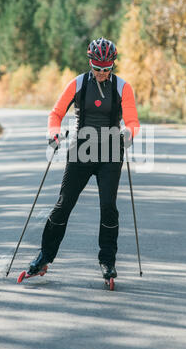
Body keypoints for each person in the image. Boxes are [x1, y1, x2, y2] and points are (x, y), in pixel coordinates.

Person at [27, 37, 140, 280]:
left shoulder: (123, 87)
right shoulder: (78, 83)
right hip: (81, 150)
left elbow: (132, 121)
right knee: (63, 204)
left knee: (108, 208)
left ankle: (107, 262)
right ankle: (44, 256)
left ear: (113, 65)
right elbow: (56, 113)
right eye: (97, 68)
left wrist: (128, 133)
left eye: (106, 68)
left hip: (110, 152)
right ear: (90, 63)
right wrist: (53, 133)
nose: (101, 73)